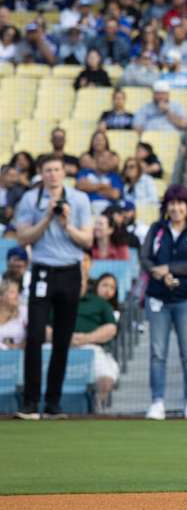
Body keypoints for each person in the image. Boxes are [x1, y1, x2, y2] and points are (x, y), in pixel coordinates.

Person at [12, 155, 93, 419]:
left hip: (69, 271)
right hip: (43, 271)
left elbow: (87, 239)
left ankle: (53, 402)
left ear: (64, 173)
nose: (53, 175)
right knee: (34, 335)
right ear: (41, 174)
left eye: (57, 170)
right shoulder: (30, 200)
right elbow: (23, 237)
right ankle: (30, 402)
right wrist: (46, 218)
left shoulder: (79, 200)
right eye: (47, 170)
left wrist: (66, 224)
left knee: (62, 338)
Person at [140, 184, 187, 422]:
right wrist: (159, 274)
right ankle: (157, 401)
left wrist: (171, 269)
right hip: (158, 297)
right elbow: (145, 257)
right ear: (166, 207)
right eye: (172, 203)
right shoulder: (157, 229)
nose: (176, 208)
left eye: (180, 203)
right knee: (157, 353)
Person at [73, 272, 121, 414]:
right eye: (104, 285)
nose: (107, 290)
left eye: (111, 287)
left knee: (106, 378)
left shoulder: (102, 305)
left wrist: (86, 338)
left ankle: (97, 409)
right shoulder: (57, 300)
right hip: (59, 346)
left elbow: (111, 329)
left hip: (91, 348)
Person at [0, 277, 26, 350]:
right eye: (12, 292)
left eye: (17, 292)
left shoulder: (23, 311)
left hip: (19, 355)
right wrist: (6, 347)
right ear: (1, 296)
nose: (17, 296)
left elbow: (38, 330)